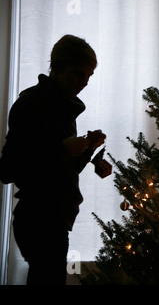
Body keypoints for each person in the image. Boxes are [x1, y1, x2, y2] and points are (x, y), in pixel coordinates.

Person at [0, 35, 106, 285]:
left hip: (54, 218)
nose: (83, 83)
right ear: (56, 68)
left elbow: (63, 171)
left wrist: (87, 149)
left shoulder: (62, 107)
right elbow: (7, 170)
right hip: (38, 219)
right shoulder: (31, 105)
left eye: (88, 77)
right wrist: (62, 148)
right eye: (77, 74)